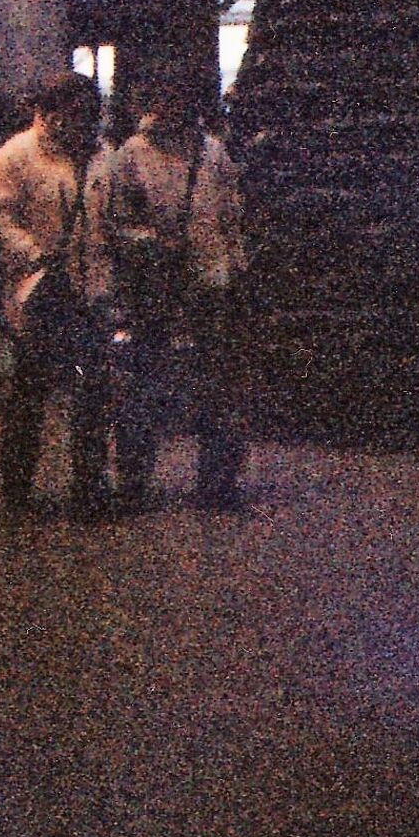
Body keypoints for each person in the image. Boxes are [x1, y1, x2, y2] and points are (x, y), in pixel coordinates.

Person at [0, 70, 115, 525]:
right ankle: (18, 488)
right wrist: (34, 256)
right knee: (30, 391)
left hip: (90, 289)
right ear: (50, 112)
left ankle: (89, 486)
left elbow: (108, 216)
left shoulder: (101, 156)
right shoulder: (16, 155)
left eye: (88, 112)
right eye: (73, 112)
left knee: (91, 392)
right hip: (41, 291)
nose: (81, 121)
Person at [108, 72, 247, 513]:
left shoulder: (212, 151)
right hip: (155, 282)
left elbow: (230, 213)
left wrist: (235, 265)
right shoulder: (131, 155)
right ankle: (134, 478)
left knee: (215, 381)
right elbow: (117, 221)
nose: (173, 108)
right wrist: (151, 244)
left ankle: (217, 479)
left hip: (210, 278)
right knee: (146, 379)